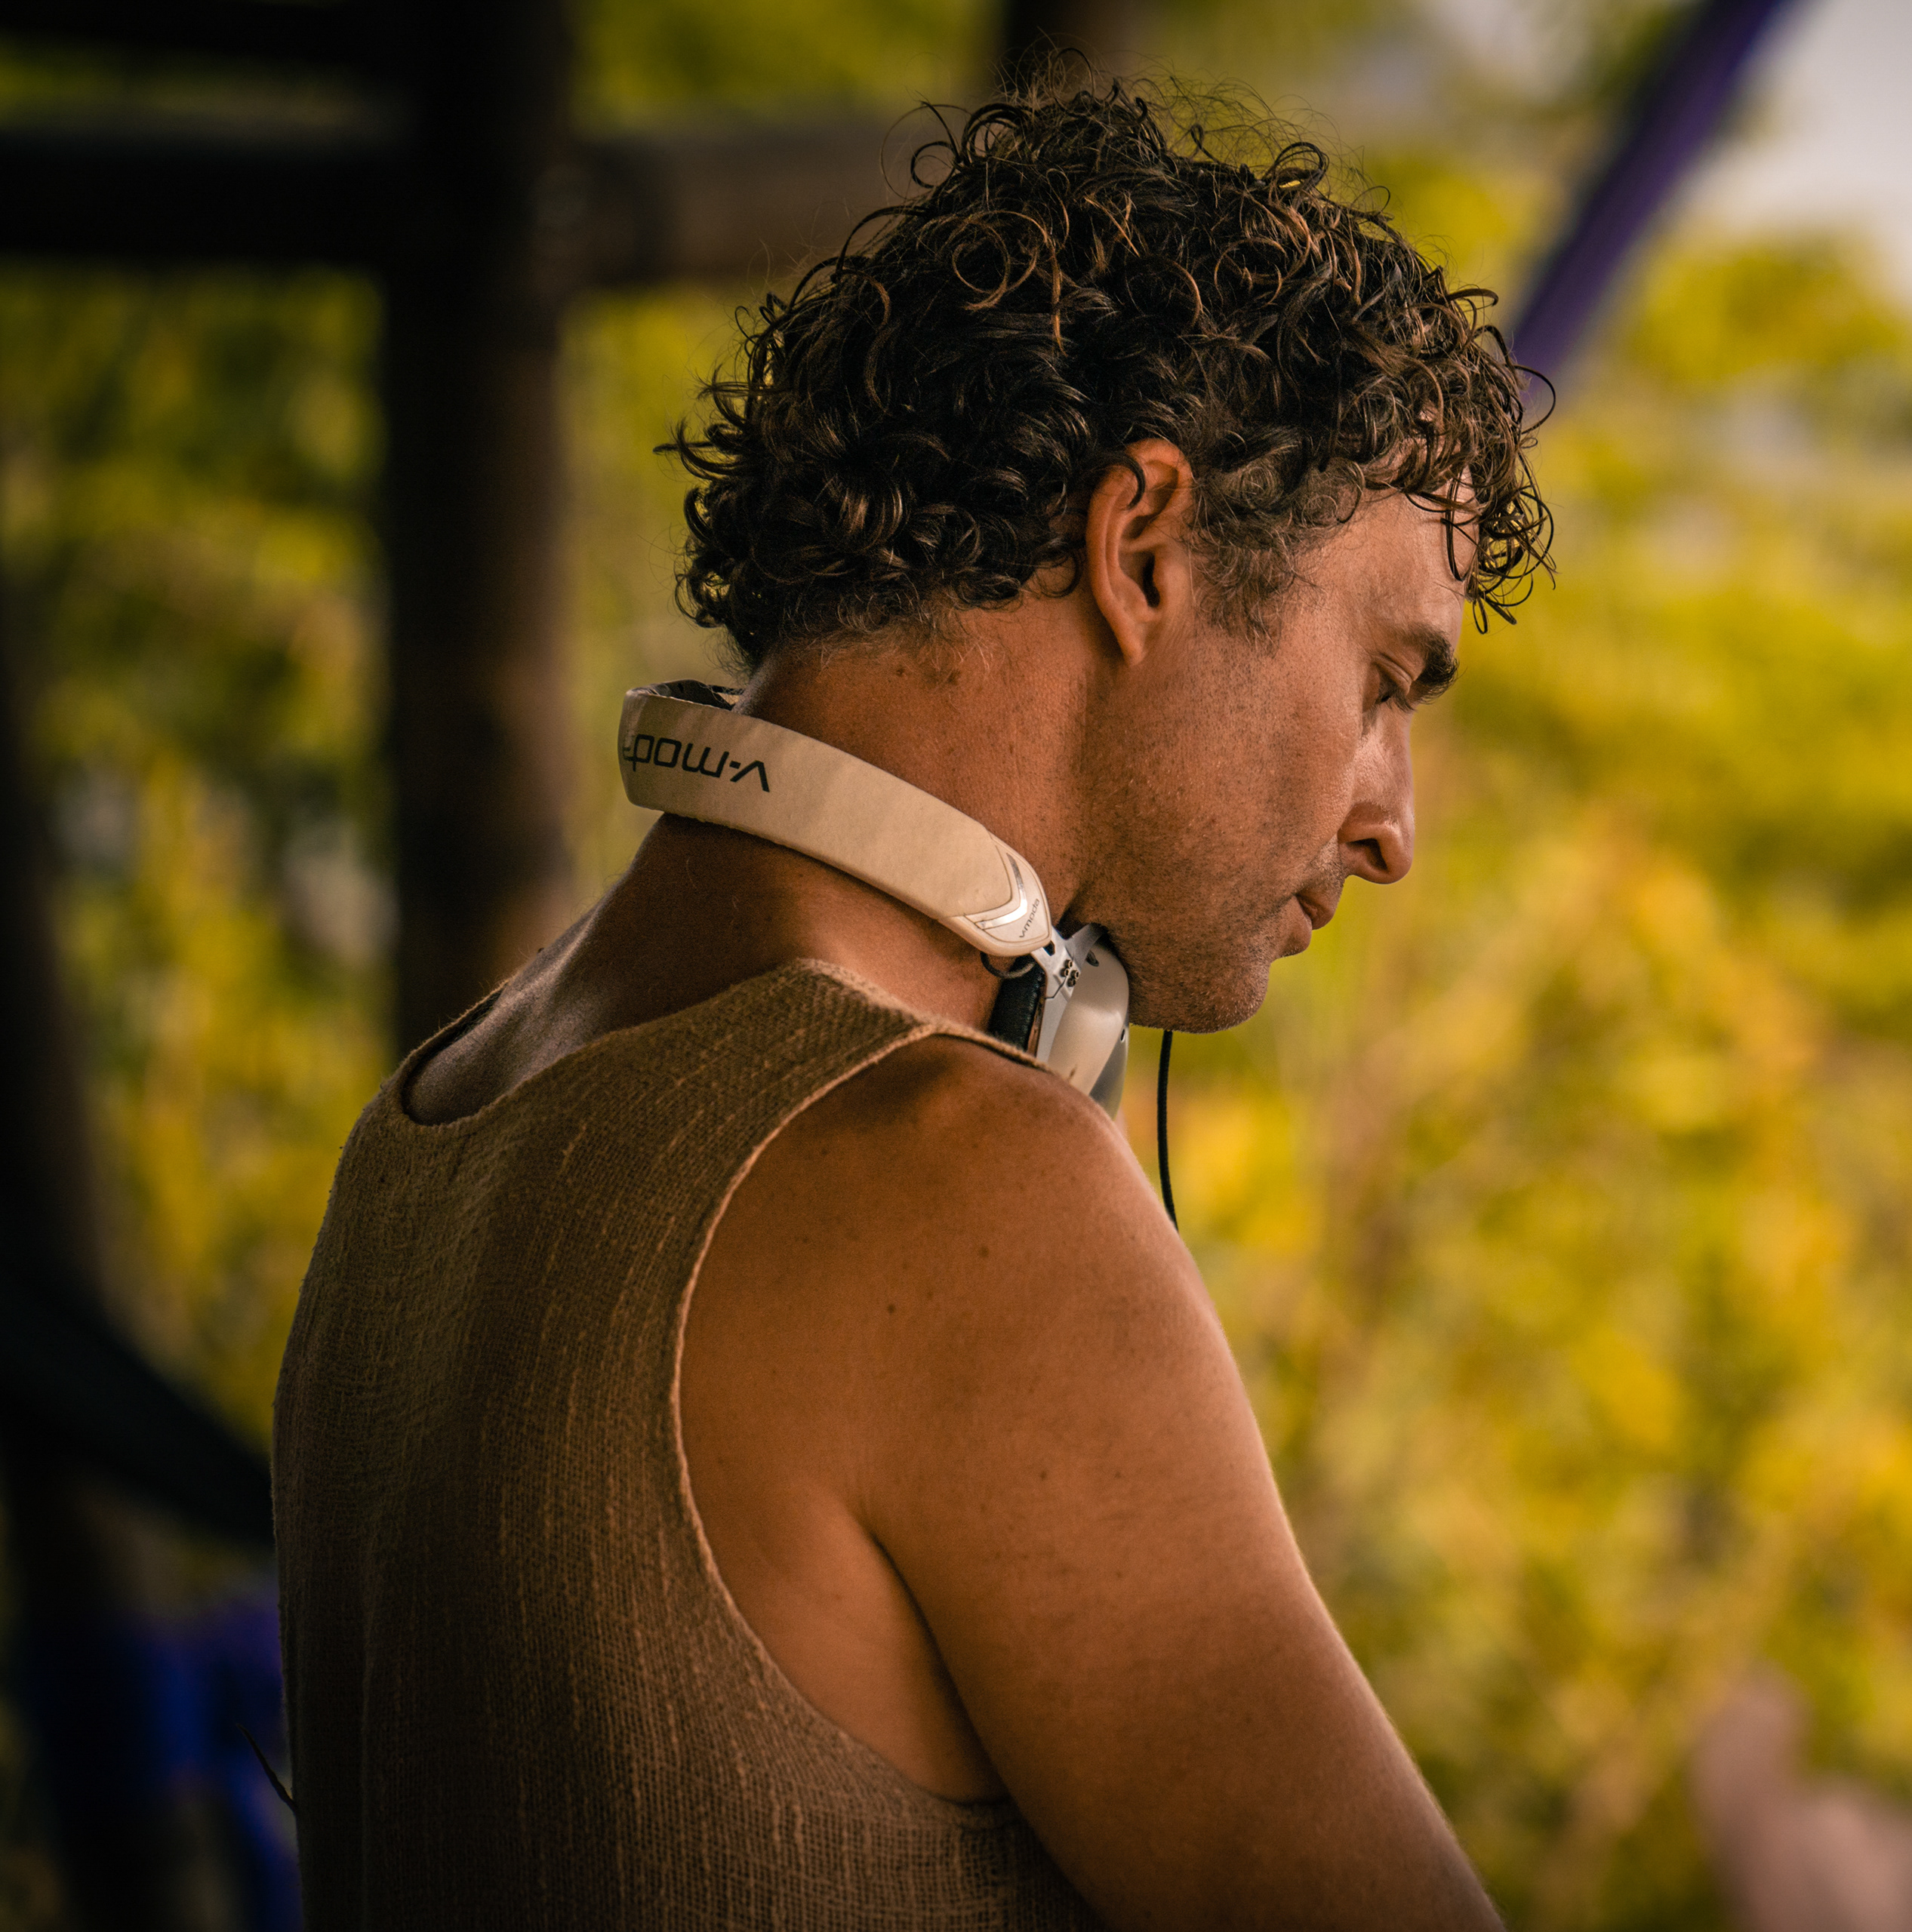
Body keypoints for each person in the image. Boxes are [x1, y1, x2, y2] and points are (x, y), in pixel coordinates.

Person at [274, 83, 1547, 1930]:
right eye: (1383, 679)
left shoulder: (424, 1129)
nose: (1392, 822)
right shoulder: (958, 1178)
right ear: (1146, 549)